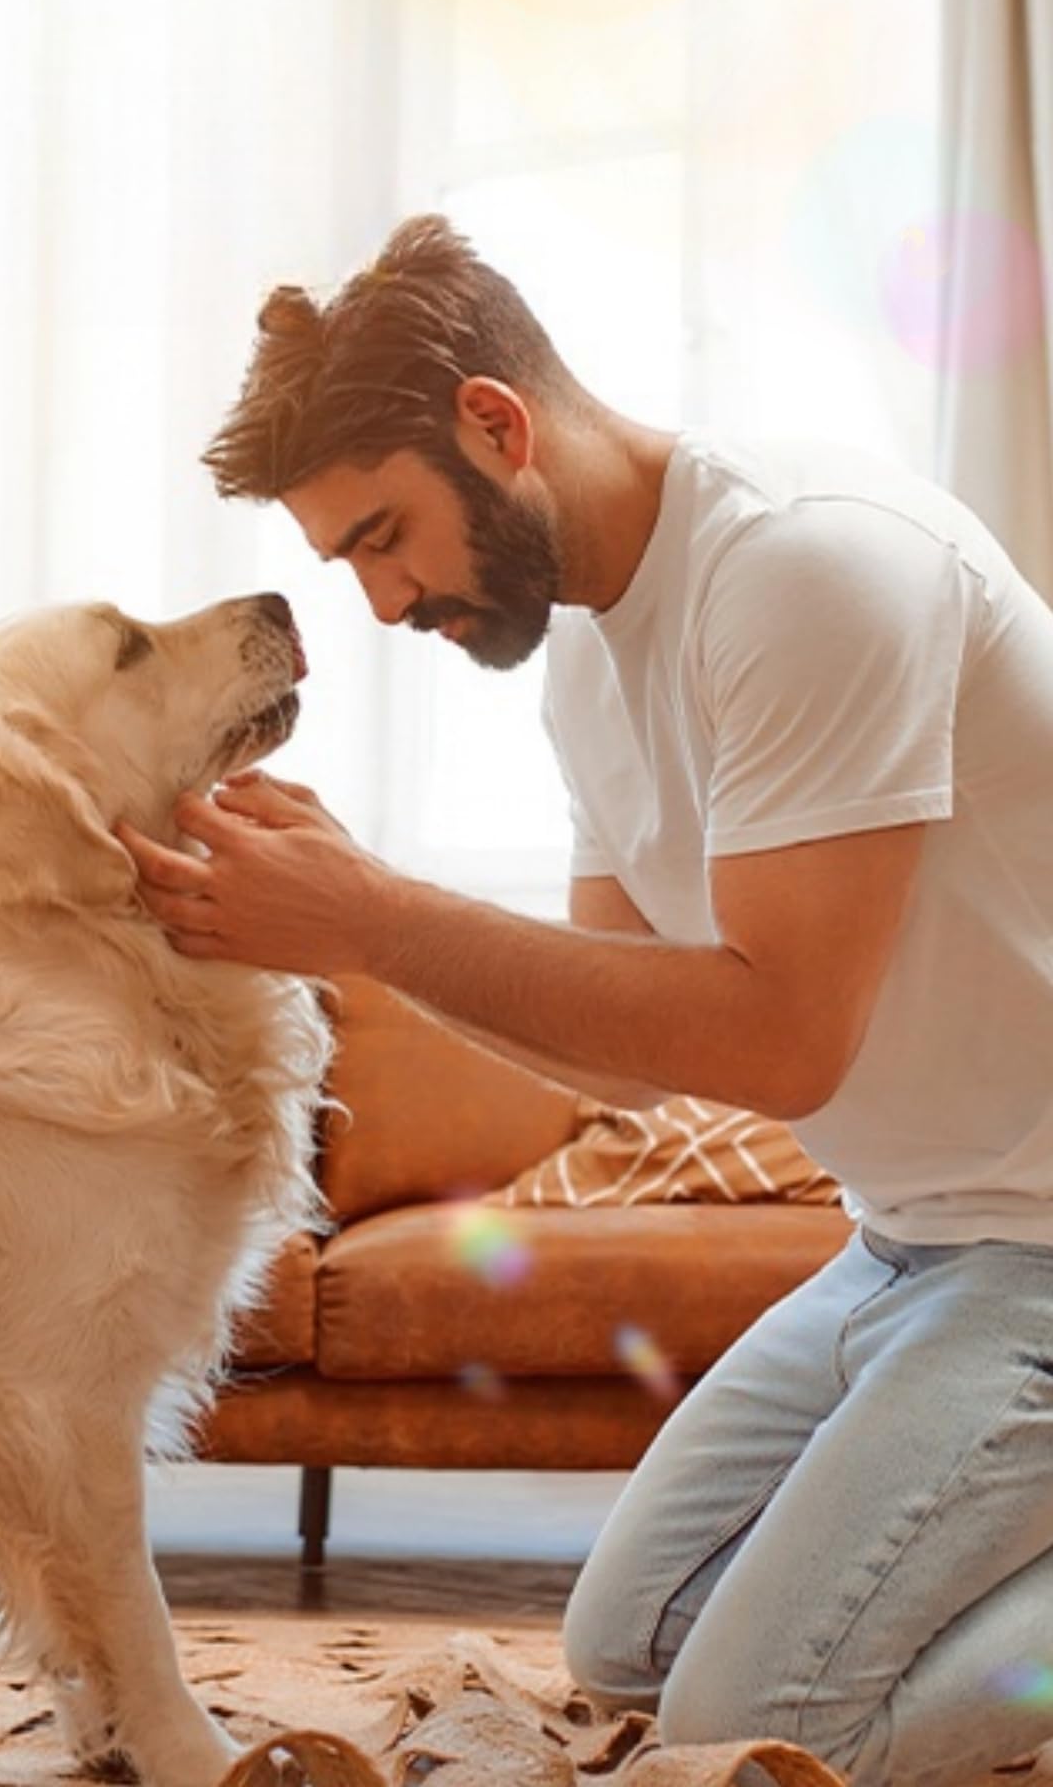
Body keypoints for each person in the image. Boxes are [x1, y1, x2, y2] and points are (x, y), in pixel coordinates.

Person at [115, 213, 1053, 1787]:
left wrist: (381, 916)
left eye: (383, 538)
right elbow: (615, 1059)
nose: (383, 604)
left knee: (773, 1727)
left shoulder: (810, 570)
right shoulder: (586, 668)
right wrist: (358, 923)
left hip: (1038, 1250)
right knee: (629, 1643)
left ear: (498, 424)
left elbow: (778, 1039)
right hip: (907, 1246)